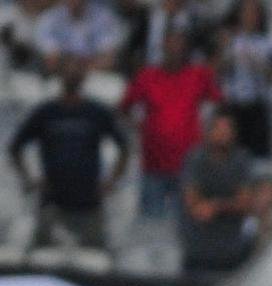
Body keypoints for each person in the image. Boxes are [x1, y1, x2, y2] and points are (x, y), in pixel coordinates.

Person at [8, 57, 128, 250]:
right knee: (41, 254)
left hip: (88, 201)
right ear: (61, 76)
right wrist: (28, 179)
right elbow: (15, 147)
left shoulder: (96, 112)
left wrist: (111, 181)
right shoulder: (46, 112)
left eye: (77, 71)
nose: (72, 75)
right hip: (52, 200)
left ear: (84, 77)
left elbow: (124, 147)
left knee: (96, 255)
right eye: (68, 70)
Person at [121, 29, 222, 217]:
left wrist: (208, 133)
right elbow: (124, 107)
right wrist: (139, 126)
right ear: (163, 47)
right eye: (171, 45)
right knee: (151, 222)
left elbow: (219, 105)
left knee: (185, 222)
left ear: (186, 49)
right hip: (154, 163)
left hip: (188, 165)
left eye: (179, 46)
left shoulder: (199, 75)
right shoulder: (147, 76)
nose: (175, 50)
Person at [179, 109, 262, 276]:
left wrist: (216, 206)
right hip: (198, 250)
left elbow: (246, 203)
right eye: (219, 129)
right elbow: (195, 206)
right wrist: (229, 204)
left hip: (232, 250)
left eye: (228, 129)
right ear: (208, 132)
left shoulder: (242, 160)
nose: (223, 134)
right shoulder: (196, 159)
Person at [217, 0, 272, 158]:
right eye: (247, 13)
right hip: (235, 105)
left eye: (254, 13)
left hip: (258, 104)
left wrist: (256, 63)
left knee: (259, 154)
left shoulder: (266, 43)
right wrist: (226, 51)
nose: (250, 17)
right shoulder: (231, 41)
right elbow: (219, 71)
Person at [34, 0, 122, 73]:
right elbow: (51, 61)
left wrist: (80, 69)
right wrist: (73, 67)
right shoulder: (49, 19)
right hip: (60, 75)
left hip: (94, 75)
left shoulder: (104, 17)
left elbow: (108, 60)